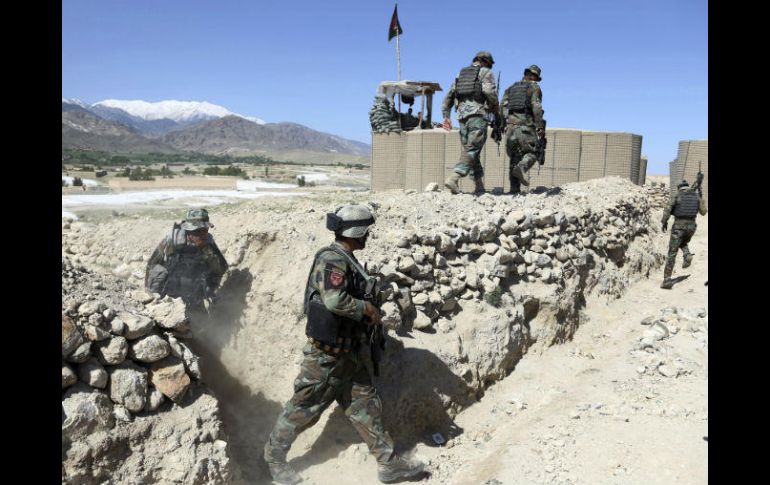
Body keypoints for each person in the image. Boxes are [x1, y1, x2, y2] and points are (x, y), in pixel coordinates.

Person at [263, 204, 426, 485]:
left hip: (349, 355)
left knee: (366, 407)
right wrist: (366, 308)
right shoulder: (333, 260)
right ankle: (274, 459)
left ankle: (388, 464)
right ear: (356, 232)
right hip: (324, 359)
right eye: (365, 232)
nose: (368, 236)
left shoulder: (348, 260)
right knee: (303, 410)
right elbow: (334, 300)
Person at [145, 208, 228, 308]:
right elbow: (152, 263)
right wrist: (148, 290)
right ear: (188, 231)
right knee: (158, 272)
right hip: (171, 283)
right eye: (197, 231)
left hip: (193, 285)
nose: (202, 235)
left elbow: (222, 268)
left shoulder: (208, 243)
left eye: (205, 230)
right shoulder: (173, 240)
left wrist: (209, 255)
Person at [442, 51, 500, 195]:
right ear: (485, 61)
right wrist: (495, 106)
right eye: (489, 65)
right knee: (472, 149)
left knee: (472, 151)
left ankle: (479, 186)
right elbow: (489, 92)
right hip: (477, 115)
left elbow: (449, 95)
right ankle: (454, 177)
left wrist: (446, 116)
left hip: (462, 118)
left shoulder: (460, 74)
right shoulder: (485, 72)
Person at [501, 64, 546, 194]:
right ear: (534, 77)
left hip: (510, 128)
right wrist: (540, 126)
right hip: (525, 127)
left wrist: (504, 124)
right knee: (534, 152)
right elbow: (536, 106)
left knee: (514, 158)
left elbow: (503, 105)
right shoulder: (534, 87)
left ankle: (514, 190)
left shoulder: (511, 88)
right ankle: (522, 167)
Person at [660, 180, 707, 289]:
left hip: (679, 227)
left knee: (672, 252)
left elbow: (667, 210)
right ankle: (687, 254)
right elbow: (704, 212)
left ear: (679, 188)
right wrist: (701, 198)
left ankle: (667, 280)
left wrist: (664, 222)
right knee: (682, 242)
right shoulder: (696, 197)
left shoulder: (677, 195)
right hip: (691, 227)